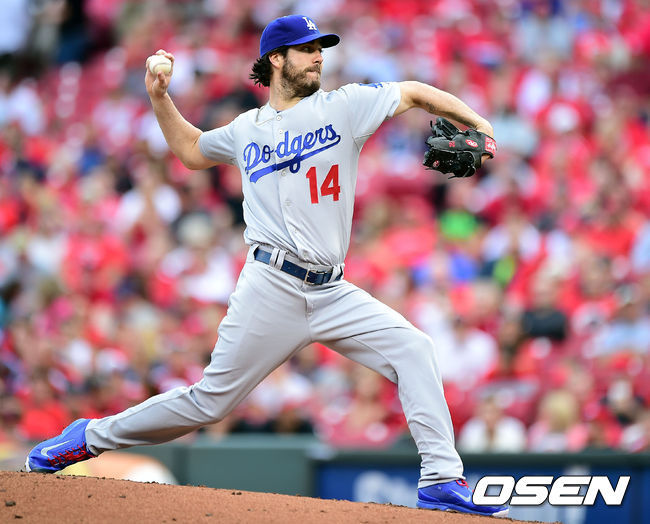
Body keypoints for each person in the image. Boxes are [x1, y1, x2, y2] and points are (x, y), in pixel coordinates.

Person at [23, 15, 507, 517]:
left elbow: (413, 92)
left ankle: (441, 479)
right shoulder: (245, 129)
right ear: (276, 58)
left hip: (332, 290)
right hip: (270, 284)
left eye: (321, 49)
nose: (318, 57)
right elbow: (191, 150)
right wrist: (159, 98)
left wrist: (480, 123)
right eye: (307, 49)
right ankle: (89, 437)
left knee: (414, 348)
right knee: (211, 402)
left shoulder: (345, 106)